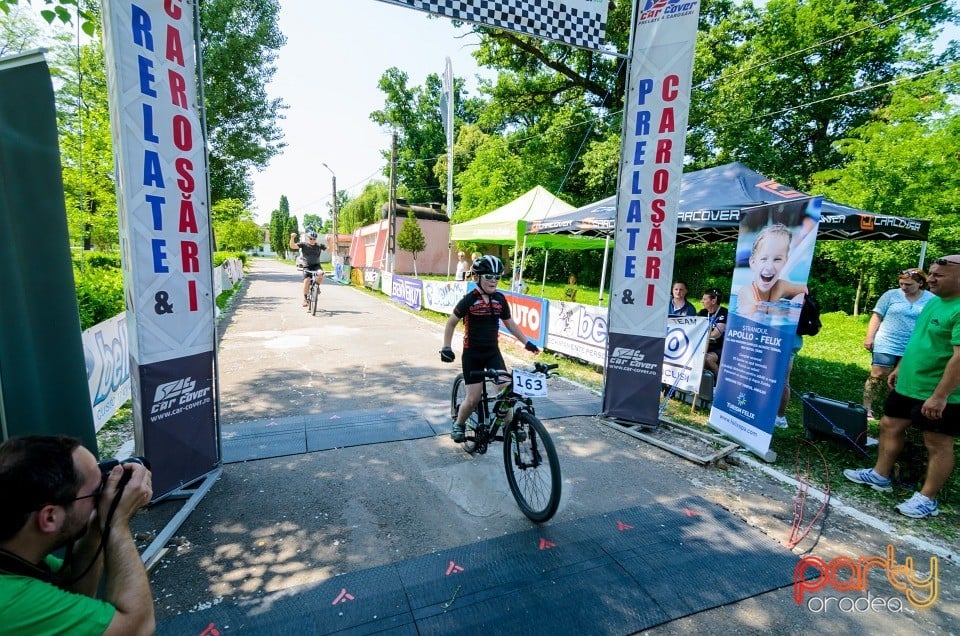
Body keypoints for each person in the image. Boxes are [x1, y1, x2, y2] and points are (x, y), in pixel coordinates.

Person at [0, 435, 154, 634]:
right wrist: (117, 524)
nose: (102, 495)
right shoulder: (14, 603)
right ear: (49, 518)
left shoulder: (16, 549)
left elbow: (72, 590)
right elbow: (138, 628)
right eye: (95, 492)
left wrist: (97, 526)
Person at [844, 256, 960, 519]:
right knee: (889, 425)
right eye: (930, 273)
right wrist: (900, 368)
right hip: (909, 382)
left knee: (937, 443)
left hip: (938, 392)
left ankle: (926, 499)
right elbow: (919, 339)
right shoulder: (933, 303)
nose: (930, 279)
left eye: (938, 276)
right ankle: (880, 475)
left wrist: (940, 396)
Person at [440, 255, 540, 442]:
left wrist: (527, 343)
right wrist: (446, 347)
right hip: (473, 355)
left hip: (492, 353)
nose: (493, 280)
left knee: (506, 392)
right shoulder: (469, 300)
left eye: (497, 276)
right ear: (476, 278)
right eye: (488, 276)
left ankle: (509, 426)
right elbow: (451, 323)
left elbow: (509, 323)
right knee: (473, 399)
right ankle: (459, 423)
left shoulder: (500, 300)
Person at [862, 268, 934, 420]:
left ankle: (892, 410)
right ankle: (866, 408)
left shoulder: (931, 299)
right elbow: (877, 316)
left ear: (920, 283)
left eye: (908, 284)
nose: (904, 287)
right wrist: (869, 337)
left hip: (913, 344)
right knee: (878, 374)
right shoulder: (890, 295)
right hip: (887, 341)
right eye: (901, 284)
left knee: (901, 378)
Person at [736, 224, 806, 317]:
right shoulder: (746, 292)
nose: (769, 267)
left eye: (777, 259)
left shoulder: (780, 286)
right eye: (764, 259)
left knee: (800, 298)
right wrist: (778, 312)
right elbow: (754, 318)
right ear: (753, 263)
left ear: (785, 263)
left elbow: (806, 289)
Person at [289, 231, 327, 306]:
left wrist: (330, 242)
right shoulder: (303, 244)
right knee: (306, 281)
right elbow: (292, 246)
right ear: (308, 239)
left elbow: (329, 250)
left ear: (316, 239)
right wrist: (292, 238)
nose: (312, 240)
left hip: (316, 266)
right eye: (311, 238)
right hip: (307, 266)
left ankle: (316, 286)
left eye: (314, 239)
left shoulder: (319, 245)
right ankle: (305, 299)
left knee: (321, 274)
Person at [698, 289, 728, 376]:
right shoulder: (702, 312)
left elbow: (716, 334)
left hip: (721, 347)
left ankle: (719, 380)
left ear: (713, 301)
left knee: (708, 358)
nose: (701, 301)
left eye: (704, 299)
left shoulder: (724, 312)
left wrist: (702, 336)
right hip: (705, 346)